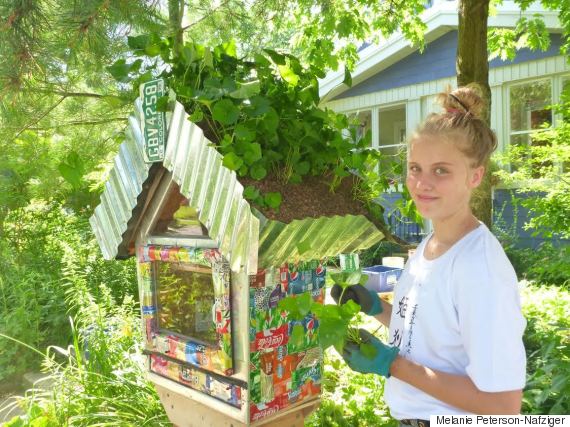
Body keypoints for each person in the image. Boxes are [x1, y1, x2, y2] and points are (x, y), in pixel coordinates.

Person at [331, 86, 526, 426]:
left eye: (441, 170)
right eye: (414, 168)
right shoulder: (431, 244)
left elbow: (503, 407)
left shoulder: (479, 268)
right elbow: (429, 333)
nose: (422, 183)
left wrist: (391, 365)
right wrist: (377, 308)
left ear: (475, 176)